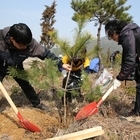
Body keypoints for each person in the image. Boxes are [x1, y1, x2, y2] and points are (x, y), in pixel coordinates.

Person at [0, 23, 71, 110]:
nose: (26, 47)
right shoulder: (1, 38)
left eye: (27, 44)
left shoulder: (30, 43)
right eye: (22, 45)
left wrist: (61, 64)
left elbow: (46, 54)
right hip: (0, 66)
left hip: (16, 67)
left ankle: (37, 104)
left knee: (26, 85)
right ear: (12, 39)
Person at [105, 19, 140, 117]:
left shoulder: (127, 35)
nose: (111, 38)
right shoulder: (131, 32)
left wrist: (120, 78)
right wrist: (122, 75)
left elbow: (130, 60)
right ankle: (138, 110)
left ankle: (138, 112)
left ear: (116, 31)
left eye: (111, 35)